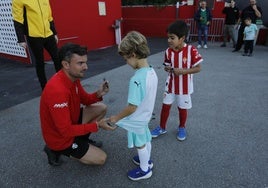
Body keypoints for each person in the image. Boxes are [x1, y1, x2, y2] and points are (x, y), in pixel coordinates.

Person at [40, 43, 116, 166]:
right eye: (80, 63)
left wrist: (99, 93)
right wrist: (96, 125)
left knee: (101, 108)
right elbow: (65, 130)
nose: (86, 67)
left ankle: (81, 140)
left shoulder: (73, 78)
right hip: (60, 137)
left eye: (85, 62)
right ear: (66, 65)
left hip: (70, 123)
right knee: (101, 158)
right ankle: (53, 149)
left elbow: (85, 99)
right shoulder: (57, 90)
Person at [109, 31, 158, 181]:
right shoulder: (151, 71)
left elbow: (132, 107)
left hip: (137, 117)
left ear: (133, 54)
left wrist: (116, 118)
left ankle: (145, 170)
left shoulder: (137, 78)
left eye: (126, 59)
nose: (126, 63)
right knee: (146, 138)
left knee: (140, 143)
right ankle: (147, 161)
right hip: (146, 115)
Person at [151, 20, 203, 141]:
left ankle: (182, 127)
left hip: (184, 88)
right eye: (168, 37)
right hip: (170, 85)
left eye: (172, 38)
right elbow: (167, 65)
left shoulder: (191, 50)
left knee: (182, 108)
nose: (169, 40)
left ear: (182, 38)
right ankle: (162, 127)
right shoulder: (168, 51)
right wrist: (167, 68)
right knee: (165, 106)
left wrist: (183, 71)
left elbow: (198, 68)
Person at [12, 0, 61, 90]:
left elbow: (49, 17)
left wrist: (54, 33)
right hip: (34, 36)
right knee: (40, 62)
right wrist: (21, 39)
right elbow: (18, 19)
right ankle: (44, 87)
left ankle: (62, 82)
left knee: (57, 58)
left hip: (48, 34)